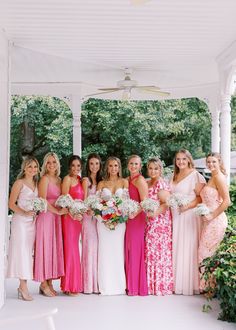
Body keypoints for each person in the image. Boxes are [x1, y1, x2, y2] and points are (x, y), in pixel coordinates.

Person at [170, 149, 205, 295]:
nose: (181, 162)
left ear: (189, 160)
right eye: (178, 159)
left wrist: (187, 206)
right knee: (177, 246)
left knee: (188, 248)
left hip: (189, 216)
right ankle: (176, 283)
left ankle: (190, 284)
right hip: (175, 216)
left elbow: (201, 198)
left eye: (184, 159)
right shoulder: (174, 175)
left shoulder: (196, 176)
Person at [34, 152, 67, 297]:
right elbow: (42, 200)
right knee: (45, 248)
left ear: (58, 164)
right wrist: (57, 212)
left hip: (56, 219)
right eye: (49, 162)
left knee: (53, 248)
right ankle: (43, 283)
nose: (52, 165)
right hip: (46, 217)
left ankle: (49, 282)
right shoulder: (44, 179)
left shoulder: (59, 180)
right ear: (45, 165)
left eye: (54, 162)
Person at [7, 156, 40, 301]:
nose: (32, 169)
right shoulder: (19, 183)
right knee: (21, 252)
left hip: (32, 223)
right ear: (24, 168)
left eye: (35, 166)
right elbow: (11, 204)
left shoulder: (37, 183)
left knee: (28, 253)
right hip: (20, 222)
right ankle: (23, 286)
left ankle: (23, 286)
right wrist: (25, 212)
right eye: (30, 166)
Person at [96, 156, 128, 295]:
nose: (113, 168)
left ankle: (119, 285)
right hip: (103, 223)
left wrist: (118, 218)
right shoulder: (101, 184)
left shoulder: (124, 182)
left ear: (119, 167)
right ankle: (105, 285)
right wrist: (105, 218)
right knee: (105, 251)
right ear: (107, 168)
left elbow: (126, 203)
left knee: (117, 251)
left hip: (119, 223)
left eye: (116, 166)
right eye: (110, 166)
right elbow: (96, 204)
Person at [144, 157, 173, 295]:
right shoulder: (147, 182)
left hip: (159, 224)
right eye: (150, 168)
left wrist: (154, 214)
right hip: (148, 223)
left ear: (160, 169)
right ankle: (149, 284)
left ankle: (159, 285)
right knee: (150, 252)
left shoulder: (160, 184)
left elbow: (166, 203)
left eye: (156, 168)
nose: (153, 171)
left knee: (158, 253)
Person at [199, 153, 230, 264]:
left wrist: (212, 215)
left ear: (219, 162)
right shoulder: (213, 176)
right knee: (206, 254)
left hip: (216, 220)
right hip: (209, 220)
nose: (210, 164)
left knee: (205, 255)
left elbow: (227, 201)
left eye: (214, 161)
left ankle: (209, 282)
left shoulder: (219, 177)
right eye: (208, 162)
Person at [125, 155, 148, 296]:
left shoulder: (140, 180)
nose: (133, 166)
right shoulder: (128, 180)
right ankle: (129, 284)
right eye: (131, 163)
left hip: (137, 218)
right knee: (128, 249)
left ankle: (135, 287)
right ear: (127, 165)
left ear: (140, 166)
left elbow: (144, 202)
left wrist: (134, 213)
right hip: (128, 218)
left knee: (134, 250)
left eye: (136, 164)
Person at [60, 155, 84, 296]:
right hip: (69, 219)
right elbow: (65, 200)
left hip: (78, 220)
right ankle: (69, 286)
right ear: (69, 166)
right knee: (71, 250)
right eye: (73, 165)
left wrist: (79, 213)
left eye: (78, 166)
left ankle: (72, 283)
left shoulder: (80, 180)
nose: (76, 168)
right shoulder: (67, 179)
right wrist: (73, 214)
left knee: (75, 249)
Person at [81, 153, 102, 294]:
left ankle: (97, 283)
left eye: (97, 163)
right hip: (88, 218)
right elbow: (83, 200)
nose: (94, 166)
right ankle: (87, 285)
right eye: (91, 164)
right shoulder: (85, 181)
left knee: (98, 249)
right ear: (88, 166)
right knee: (89, 247)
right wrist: (90, 209)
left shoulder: (102, 181)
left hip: (99, 218)